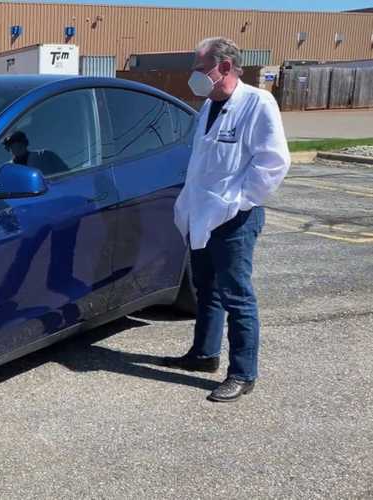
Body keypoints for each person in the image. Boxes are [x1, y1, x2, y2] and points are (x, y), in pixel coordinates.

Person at [164, 37, 290, 402]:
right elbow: (202, 165)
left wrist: (239, 202)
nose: (194, 76)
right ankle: (203, 354)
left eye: (200, 69)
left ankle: (242, 373)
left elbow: (273, 162)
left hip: (235, 218)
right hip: (203, 214)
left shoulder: (257, 103)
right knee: (206, 290)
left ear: (224, 67)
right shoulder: (208, 107)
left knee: (237, 296)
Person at [3, 130, 69, 176]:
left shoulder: (46, 155)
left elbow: (68, 175)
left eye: (18, 141)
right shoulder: (7, 170)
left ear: (25, 143)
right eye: (11, 145)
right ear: (8, 149)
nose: (16, 147)